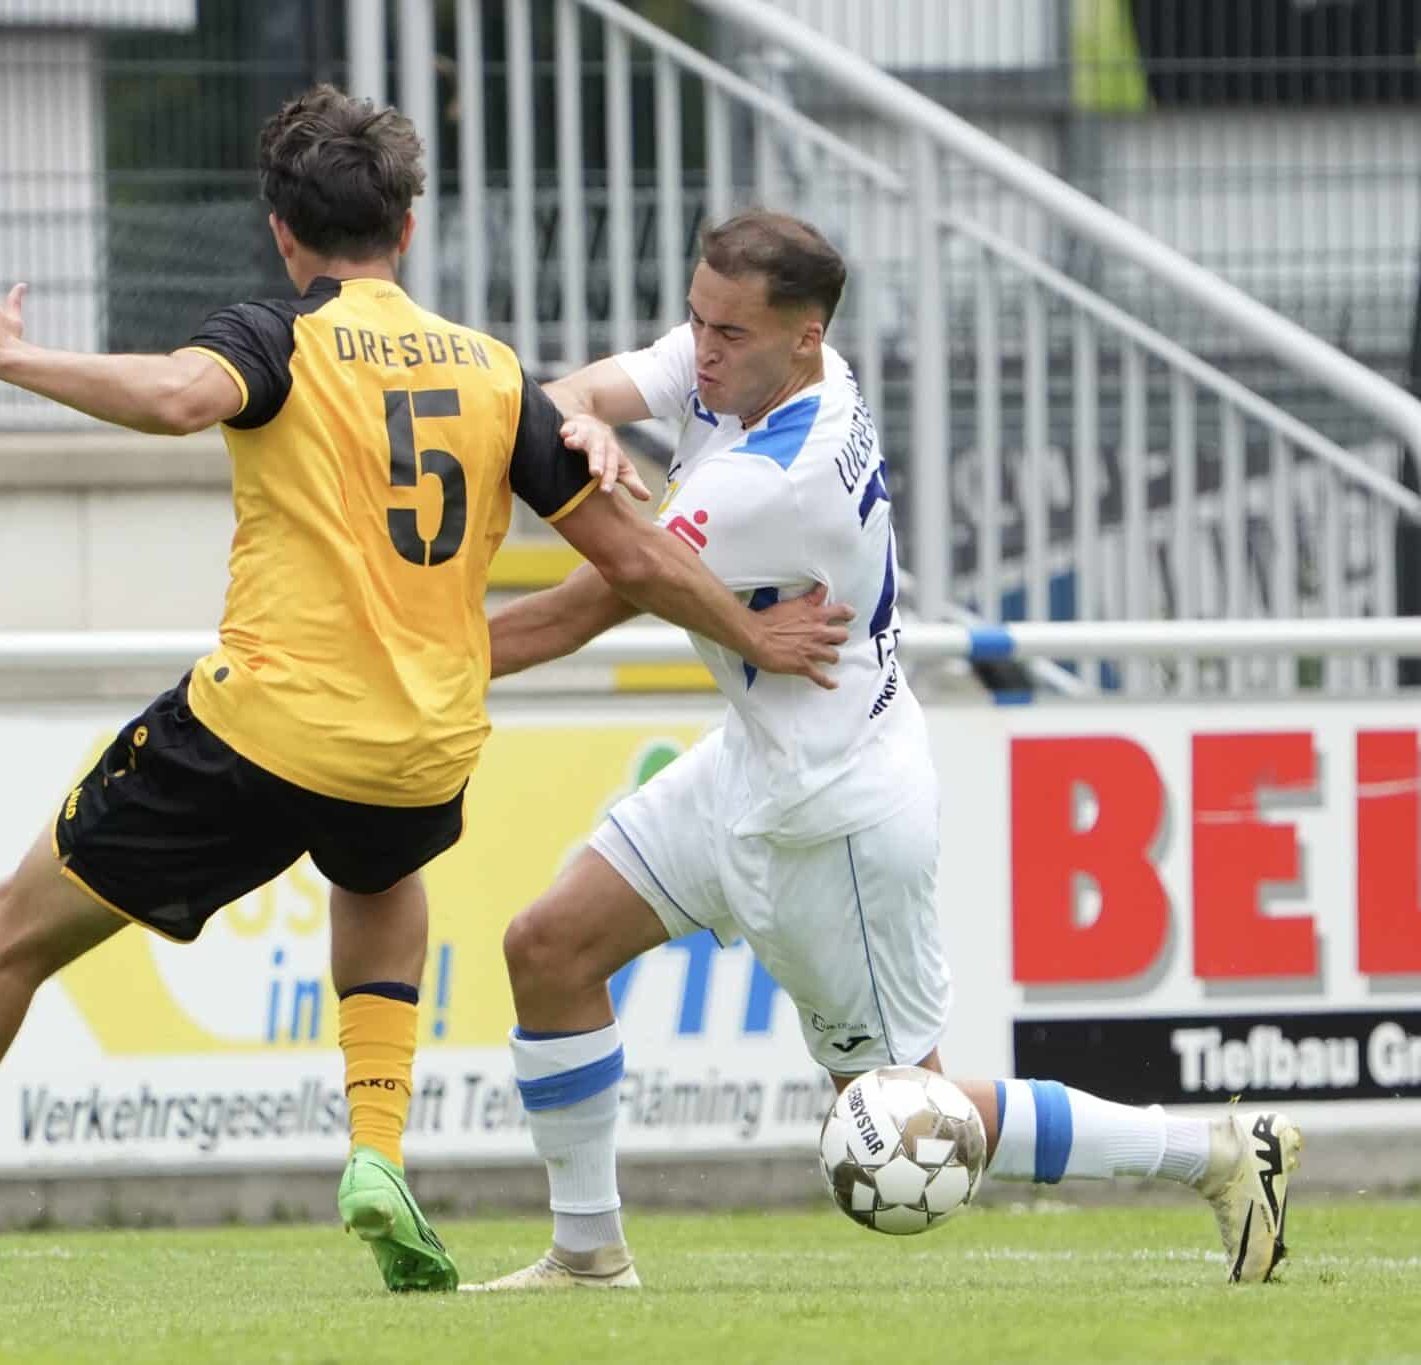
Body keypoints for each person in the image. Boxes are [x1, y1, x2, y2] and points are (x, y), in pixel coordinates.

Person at [0, 90, 850, 1292]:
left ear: (282, 234)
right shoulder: (497, 376)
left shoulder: (278, 337)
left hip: (259, 732)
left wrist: (11, 354)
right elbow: (639, 556)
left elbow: (177, 399)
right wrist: (751, 639)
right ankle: (374, 1155)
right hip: (419, 756)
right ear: (406, 230)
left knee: (10, 935)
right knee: (378, 870)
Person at [466, 210, 1302, 1293]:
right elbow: (568, 402)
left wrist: (412, 671)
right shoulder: (753, 361)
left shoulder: (777, 474)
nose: (700, 350)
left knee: (913, 1114)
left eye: (727, 334)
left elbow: (583, 604)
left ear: (803, 338)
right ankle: (587, 1255)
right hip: (752, 765)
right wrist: (583, 428)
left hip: (835, 816)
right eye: (695, 321)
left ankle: (1221, 1154)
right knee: (548, 949)